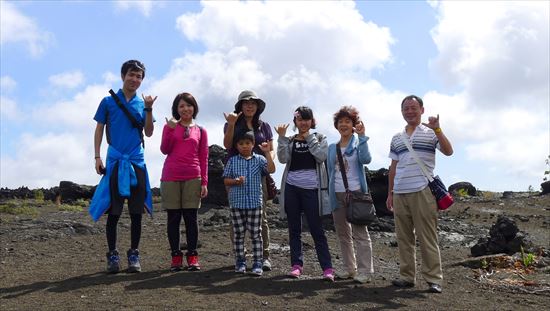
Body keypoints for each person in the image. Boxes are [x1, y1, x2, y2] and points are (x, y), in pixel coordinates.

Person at [89, 59, 157, 273]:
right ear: (123, 75)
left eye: (139, 77)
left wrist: (148, 109)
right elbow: (99, 129)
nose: (134, 79)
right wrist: (97, 157)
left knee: (136, 212)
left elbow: (149, 132)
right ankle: (112, 256)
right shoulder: (108, 102)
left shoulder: (142, 104)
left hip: (136, 160)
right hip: (115, 160)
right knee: (114, 210)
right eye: (131, 75)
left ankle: (134, 254)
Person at [386, 95, 453, 294]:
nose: (410, 112)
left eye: (413, 108)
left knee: (427, 236)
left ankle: (434, 279)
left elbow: (449, 151)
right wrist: (390, 193)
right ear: (402, 112)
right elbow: (393, 166)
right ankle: (407, 277)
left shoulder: (431, 133)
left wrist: (438, 129)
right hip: (399, 192)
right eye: (406, 108)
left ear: (422, 110)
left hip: (422, 190)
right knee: (403, 237)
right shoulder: (397, 138)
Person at [275, 106, 334, 282]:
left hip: (312, 190)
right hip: (292, 188)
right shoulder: (291, 140)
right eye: (300, 119)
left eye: (306, 119)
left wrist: (309, 137)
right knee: (294, 229)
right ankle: (296, 266)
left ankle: (328, 268)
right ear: (295, 121)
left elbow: (321, 156)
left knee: (317, 229)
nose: (303, 123)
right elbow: (283, 159)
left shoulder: (320, 137)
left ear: (312, 121)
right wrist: (282, 138)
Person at [223, 90, 274, 271]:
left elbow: (271, 148)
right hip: (235, 172)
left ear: (258, 106)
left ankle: (264, 256)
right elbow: (227, 145)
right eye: (246, 103)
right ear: (240, 106)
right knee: (235, 217)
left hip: (258, 173)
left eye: (253, 103)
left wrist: (267, 160)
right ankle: (241, 257)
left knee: (262, 218)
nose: (250, 105)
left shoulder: (264, 126)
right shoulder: (233, 123)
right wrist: (230, 125)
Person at [160, 92, 208, 272]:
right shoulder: (170, 126)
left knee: (191, 218)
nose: (185, 109)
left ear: (194, 107)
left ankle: (193, 256)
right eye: (181, 106)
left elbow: (204, 156)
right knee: (173, 218)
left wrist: (204, 181)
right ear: (176, 109)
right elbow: (164, 149)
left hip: (193, 176)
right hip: (171, 176)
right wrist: (170, 129)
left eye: (189, 105)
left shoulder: (201, 130)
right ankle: (176, 257)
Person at [327, 106, 374, 284]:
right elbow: (331, 172)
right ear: (336, 126)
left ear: (354, 124)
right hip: (337, 194)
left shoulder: (358, 143)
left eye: (348, 121)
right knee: (343, 234)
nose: (344, 125)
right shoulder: (332, 147)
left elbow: (366, 160)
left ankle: (365, 271)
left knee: (361, 234)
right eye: (341, 122)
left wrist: (362, 138)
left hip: (356, 194)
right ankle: (349, 268)